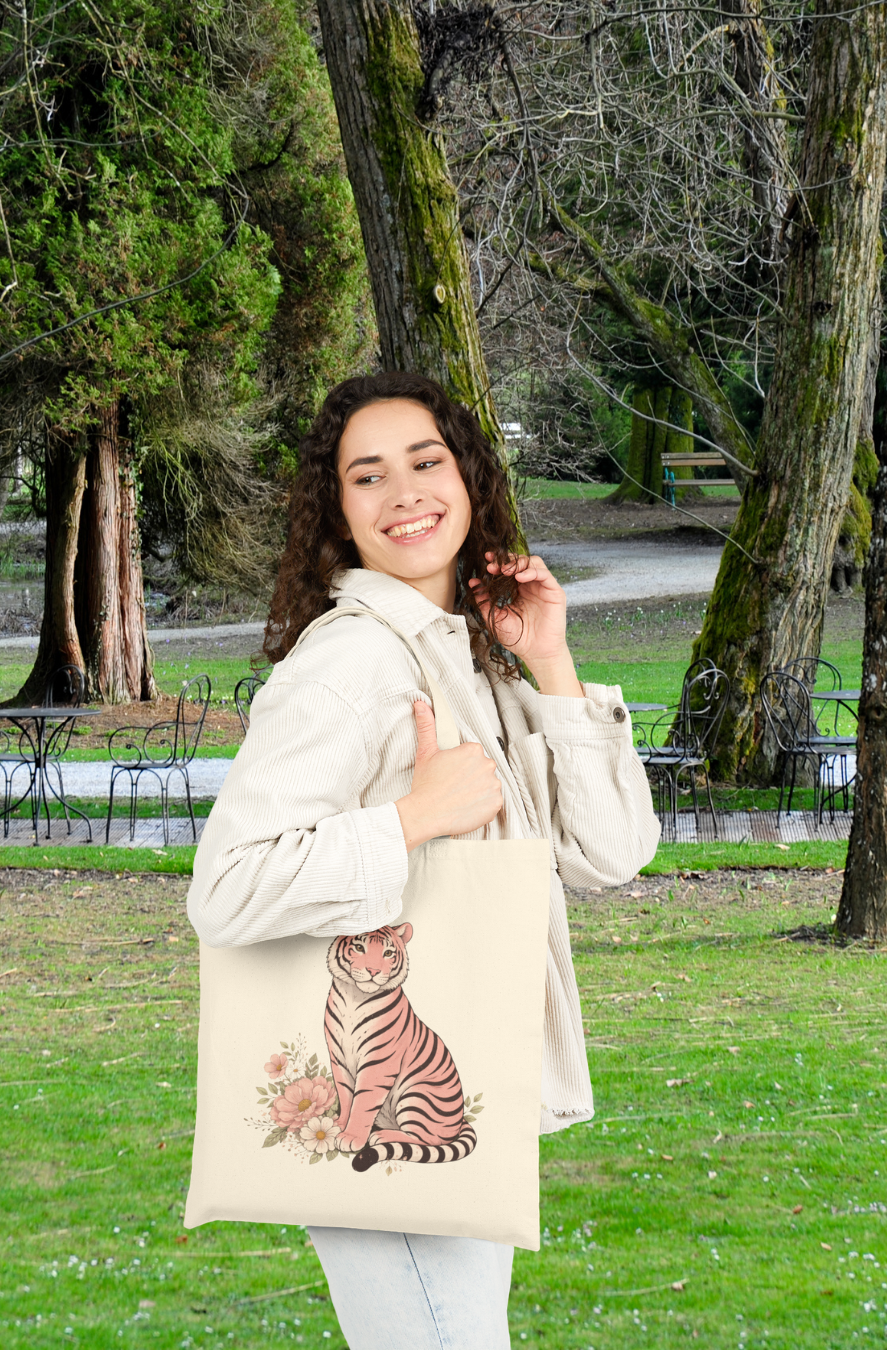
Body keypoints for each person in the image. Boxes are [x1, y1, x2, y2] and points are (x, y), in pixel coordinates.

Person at [187, 371, 660, 1348]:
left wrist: (553, 664)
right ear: (339, 514)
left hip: (454, 1097)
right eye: (368, 475)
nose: (404, 492)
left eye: (425, 461)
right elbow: (227, 888)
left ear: (472, 479)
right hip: (375, 1114)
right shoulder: (351, 663)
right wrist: (412, 819)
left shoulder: (466, 656)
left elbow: (611, 854)